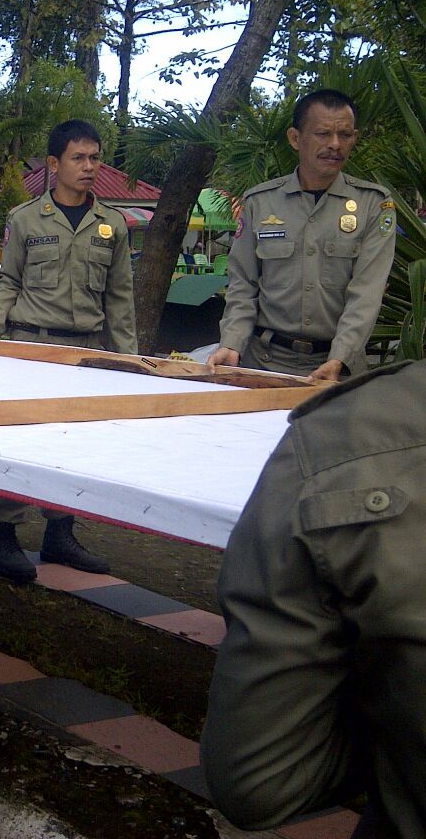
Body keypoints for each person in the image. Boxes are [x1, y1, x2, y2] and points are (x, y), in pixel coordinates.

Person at [202, 359, 426, 838]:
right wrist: (236, 341)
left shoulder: (344, 438)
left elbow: (259, 782)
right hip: (266, 354)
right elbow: (246, 283)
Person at [0, 120, 134, 583]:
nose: (89, 167)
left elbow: (119, 300)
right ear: (55, 164)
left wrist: (130, 360)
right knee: (18, 442)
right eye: (78, 158)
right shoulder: (25, 219)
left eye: (95, 158)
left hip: (85, 353)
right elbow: (9, 284)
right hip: (31, 347)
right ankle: (5, 538)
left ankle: (61, 533)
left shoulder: (112, 225)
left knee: (73, 447)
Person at [208, 89, 395, 383]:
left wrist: (339, 358)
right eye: (323, 133)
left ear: (354, 138)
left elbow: (367, 293)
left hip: (337, 370)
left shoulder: (374, 205)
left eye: (344, 135)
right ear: (295, 138)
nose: (335, 145)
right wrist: (231, 343)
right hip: (264, 363)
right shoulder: (261, 202)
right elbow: (243, 284)